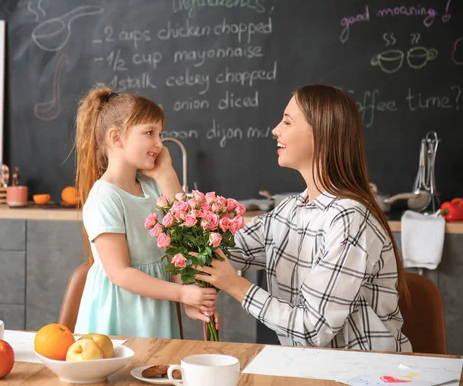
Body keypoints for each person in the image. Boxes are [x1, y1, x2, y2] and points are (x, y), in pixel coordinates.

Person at [194, 84, 412, 352]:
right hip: (310, 366)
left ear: (321, 133)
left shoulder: (348, 219)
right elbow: (218, 250)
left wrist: (236, 286)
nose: (275, 130)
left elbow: (312, 331)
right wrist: (164, 178)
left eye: (287, 121)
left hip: (362, 373)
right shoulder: (290, 210)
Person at [74, 86, 217, 339]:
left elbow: (181, 238)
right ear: (116, 138)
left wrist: (167, 174)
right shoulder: (105, 197)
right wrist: (182, 294)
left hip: (156, 308)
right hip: (120, 312)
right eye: (149, 133)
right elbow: (120, 274)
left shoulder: (153, 187)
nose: (159, 144)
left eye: (160, 134)